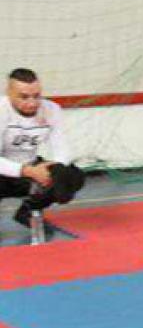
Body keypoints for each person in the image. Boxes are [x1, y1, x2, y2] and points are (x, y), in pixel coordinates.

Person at [0, 69, 86, 229]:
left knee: (72, 176)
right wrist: (27, 171)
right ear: (9, 93)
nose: (32, 103)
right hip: (5, 172)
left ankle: (28, 211)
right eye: (24, 97)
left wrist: (54, 170)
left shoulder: (51, 110)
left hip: (31, 168)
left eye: (36, 96)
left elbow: (62, 149)